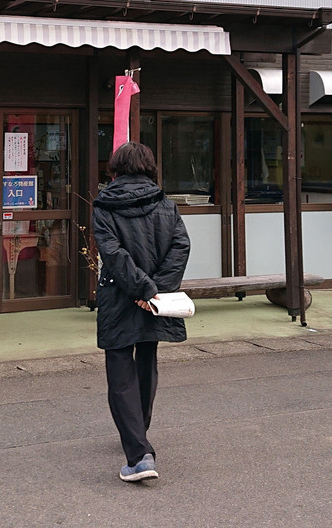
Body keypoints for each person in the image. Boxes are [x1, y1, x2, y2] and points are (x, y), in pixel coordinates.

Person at [92, 141, 190, 483]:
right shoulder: (166, 204)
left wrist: (143, 289)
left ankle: (138, 454)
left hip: (119, 296)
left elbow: (113, 254)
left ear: (115, 168)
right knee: (147, 362)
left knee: (120, 369)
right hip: (153, 299)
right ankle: (138, 435)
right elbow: (180, 247)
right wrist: (155, 290)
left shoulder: (105, 204)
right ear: (149, 166)